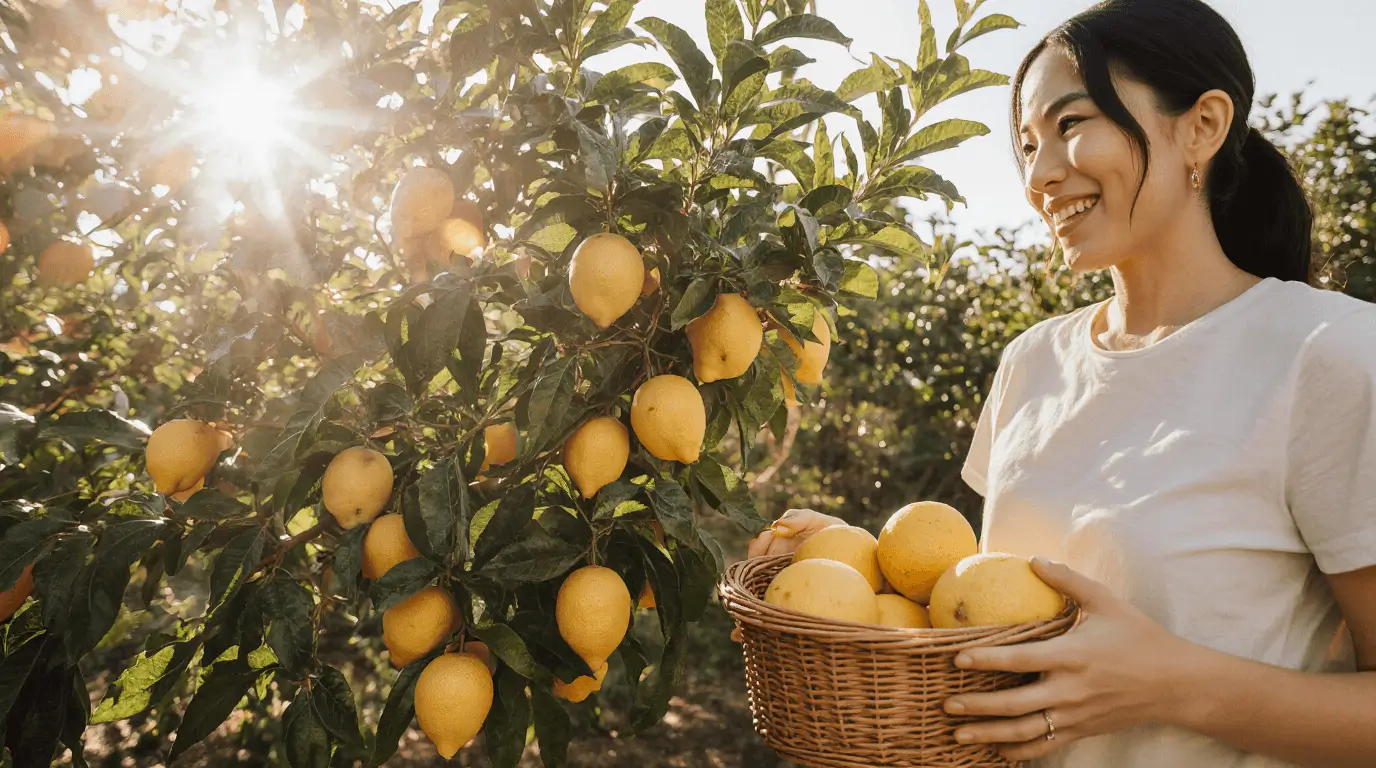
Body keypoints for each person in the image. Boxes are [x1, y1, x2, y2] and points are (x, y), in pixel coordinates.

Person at [745, 1, 1376, 766]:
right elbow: (998, 601)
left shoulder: (1330, 354)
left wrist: (1171, 686)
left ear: (1202, 126)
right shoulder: (1032, 362)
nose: (1041, 174)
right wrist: (857, 556)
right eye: (1027, 144)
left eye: (1072, 124)